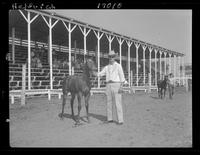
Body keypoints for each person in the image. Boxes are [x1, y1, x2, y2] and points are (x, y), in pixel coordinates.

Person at [96, 50, 128, 125]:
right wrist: (93, 73)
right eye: (110, 57)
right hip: (108, 85)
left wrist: (121, 87)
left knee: (118, 103)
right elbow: (100, 74)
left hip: (116, 85)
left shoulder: (118, 66)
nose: (111, 58)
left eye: (112, 57)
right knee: (108, 102)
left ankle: (120, 120)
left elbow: (122, 77)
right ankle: (109, 119)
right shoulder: (106, 67)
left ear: (114, 57)